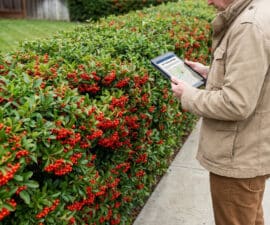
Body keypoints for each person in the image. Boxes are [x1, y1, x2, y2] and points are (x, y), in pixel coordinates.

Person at [170, 0, 270, 224]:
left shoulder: (248, 25)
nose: (208, 1)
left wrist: (188, 94)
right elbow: (256, 78)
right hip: (250, 149)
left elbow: (236, 102)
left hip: (237, 156)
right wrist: (209, 73)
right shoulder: (260, 11)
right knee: (250, 218)